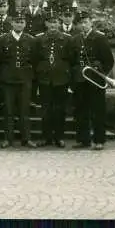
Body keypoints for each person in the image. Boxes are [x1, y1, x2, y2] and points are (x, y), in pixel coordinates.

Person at [70, 10, 114, 150]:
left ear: (91, 22)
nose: (83, 25)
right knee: (80, 111)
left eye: (86, 22)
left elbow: (109, 60)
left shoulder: (100, 38)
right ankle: (83, 140)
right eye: (81, 23)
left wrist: (101, 74)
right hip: (80, 80)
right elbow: (72, 61)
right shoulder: (75, 39)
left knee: (97, 111)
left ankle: (99, 140)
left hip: (95, 80)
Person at [0, 10, 37, 149]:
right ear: (11, 23)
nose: (19, 24)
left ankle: (26, 139)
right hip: (8, 80)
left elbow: (34, 60)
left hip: (25, 79)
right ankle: (8, 139)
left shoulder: (31, 40)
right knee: (8, 110)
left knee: (24, 110)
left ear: (25, 24)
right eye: (16, 22)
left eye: (22, 22)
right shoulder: (2, 39)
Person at [34, 9, 73, 148]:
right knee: (45, 109)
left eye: (55, 22)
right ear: (45, 23)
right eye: (50, 22)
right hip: (44, 79)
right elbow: (35, 59)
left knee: (60, 109)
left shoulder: (67, 39)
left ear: (59, 23)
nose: (52, 25)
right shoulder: (38, 39)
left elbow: (71, 59)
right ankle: (46, 137)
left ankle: (59, 137)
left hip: (61, 79)